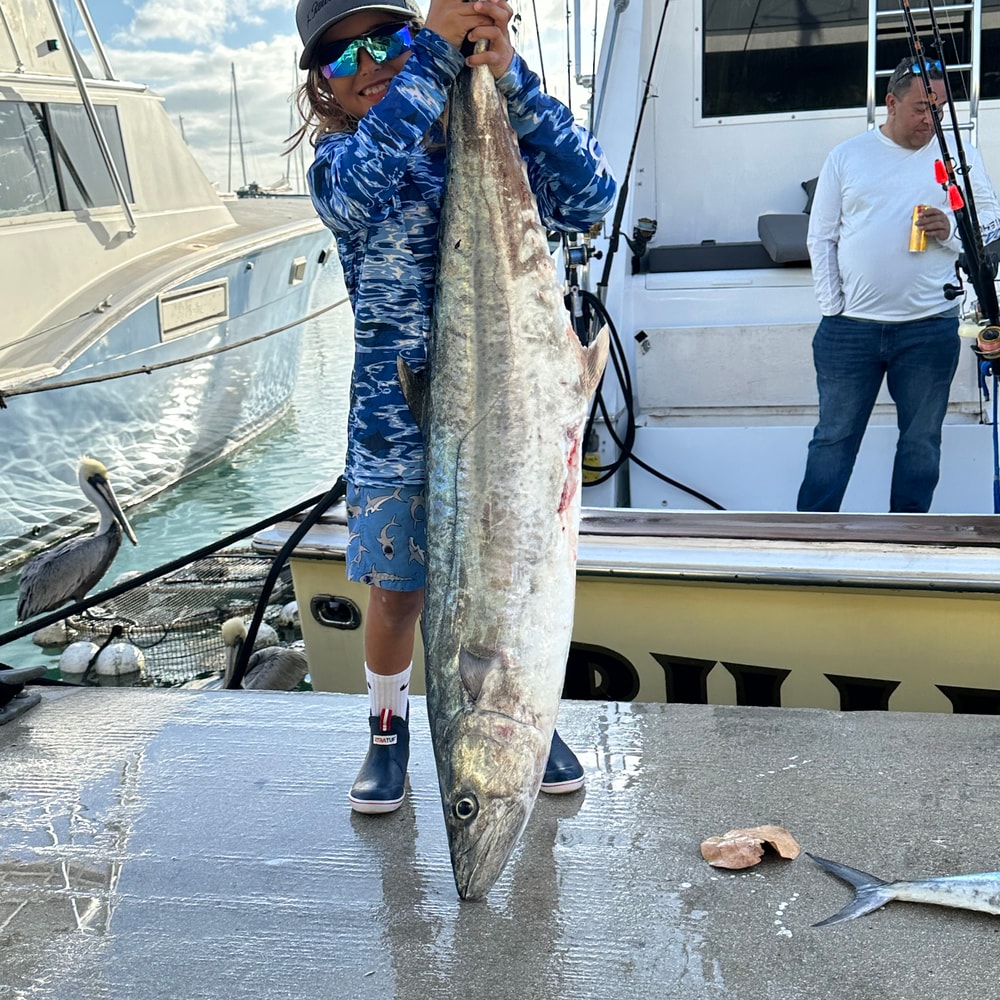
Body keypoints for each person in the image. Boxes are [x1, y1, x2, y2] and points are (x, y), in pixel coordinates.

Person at [292, 0, 616, 813]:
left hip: (511, 423)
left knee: (520, 577)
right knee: (397, 592)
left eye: (389, 39)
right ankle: (387, 728)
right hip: (396, 429)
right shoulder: (340, 162)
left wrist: (509, 77)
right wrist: (435, 56)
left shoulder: (493, 130)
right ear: (322, 84)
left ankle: (527, 713)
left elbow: (591, 196)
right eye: (342, 56)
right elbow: (359, 191)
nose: (369, 63)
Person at [797, 56, 1000, 514]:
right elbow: (821, 236)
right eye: (921, 108)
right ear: (890, 103)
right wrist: (832, 306)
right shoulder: (847, 156)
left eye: (939, 109)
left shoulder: (959, 153)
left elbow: (991, 221)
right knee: (833, 438)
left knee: (921, 441)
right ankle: (810, 536)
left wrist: (951, 229)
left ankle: (908, 537)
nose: (931, 120)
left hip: (929, 328)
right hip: (849, 329)